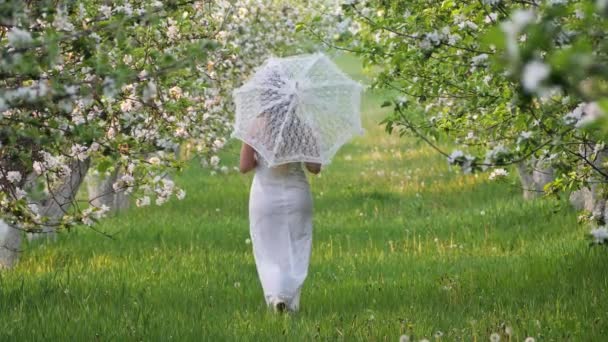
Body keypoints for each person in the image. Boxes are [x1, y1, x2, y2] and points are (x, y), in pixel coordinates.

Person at [239, 123, 321, 313]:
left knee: (267, 250)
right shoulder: (304, 129)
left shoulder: (255, 128)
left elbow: (245, 166)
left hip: (265, 195)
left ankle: (276, 296)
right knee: (296, 246)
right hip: (297, 195)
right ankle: (288, 300)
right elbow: (314, 168)